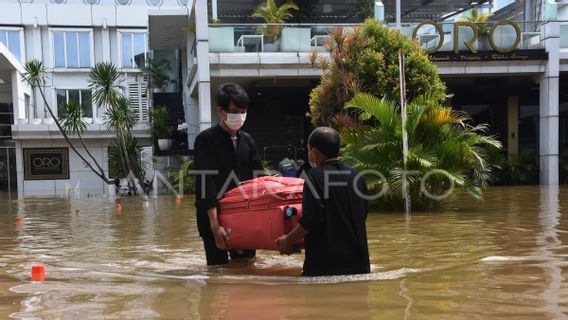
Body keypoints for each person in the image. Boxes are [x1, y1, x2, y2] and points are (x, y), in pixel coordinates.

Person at [276, 127, 370, 276]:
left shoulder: (314, 176)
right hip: (359, 266)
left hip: (326, 267)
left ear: (314, 153)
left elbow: (311, 220)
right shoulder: (356, 176)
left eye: (308, 150)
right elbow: (362, 215)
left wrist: (288, 239)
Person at [193, 83, 264, 266]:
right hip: (213, 218)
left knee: (247, 268)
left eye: (243, 111)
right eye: (234, 111)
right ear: (220, 111)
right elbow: (205, 184)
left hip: (243, 216)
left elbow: (258, 178)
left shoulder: (247, 140)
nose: (239, 116)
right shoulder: (205, 140)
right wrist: (215, 226)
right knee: (218, 271)